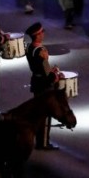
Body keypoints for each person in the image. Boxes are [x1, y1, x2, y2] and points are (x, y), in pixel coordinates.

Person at [24, 22, 61, 151]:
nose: (43, 33)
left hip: (36, 81)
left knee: (39, 112)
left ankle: (39, 140)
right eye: (42, 32)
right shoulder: (40, 51)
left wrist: (51, 70)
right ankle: (43, 142)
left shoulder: (30, 48)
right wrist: (55, 76)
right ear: (37, 35)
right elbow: (46, 72)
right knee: (45, 114)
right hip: (43, 84)